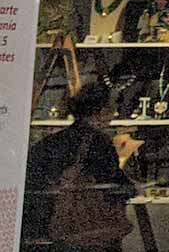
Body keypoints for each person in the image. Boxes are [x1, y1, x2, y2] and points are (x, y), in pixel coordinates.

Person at [22, 81, 136, 252]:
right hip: (86, 230)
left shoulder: (50, 142)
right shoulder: (98, 142)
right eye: (111, 109)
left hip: (47, 226)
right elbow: (112, 184)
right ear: (101, 111)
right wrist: (132, 188)